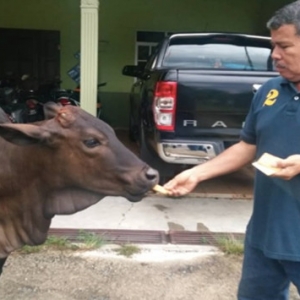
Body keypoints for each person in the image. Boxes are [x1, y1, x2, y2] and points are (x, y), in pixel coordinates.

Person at [163, 1, 300, 299]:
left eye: (284, 47)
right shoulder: (270, 91)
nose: (275, 55)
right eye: (273, 46)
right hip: (265, 236)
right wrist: (197, 173)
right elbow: (247, 147)